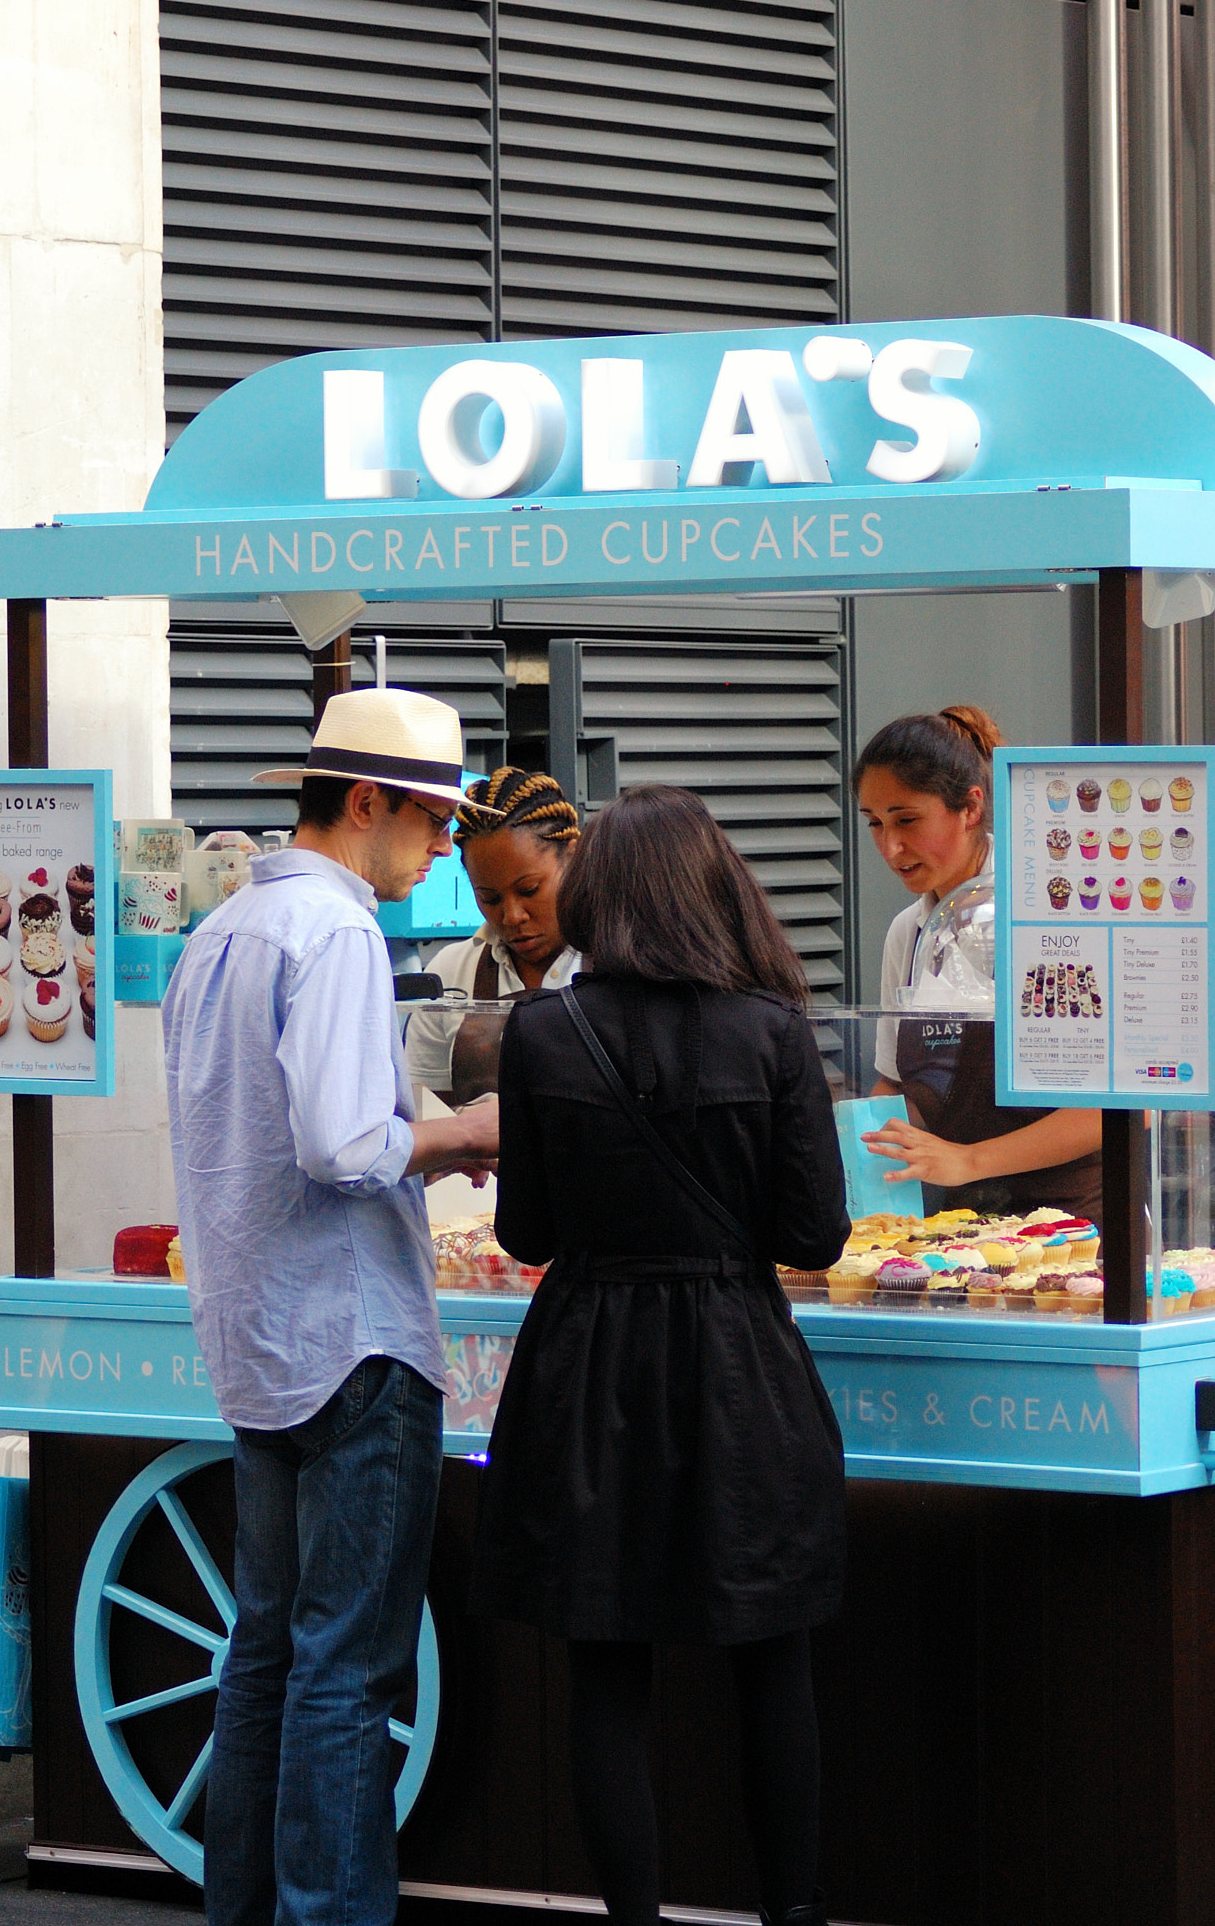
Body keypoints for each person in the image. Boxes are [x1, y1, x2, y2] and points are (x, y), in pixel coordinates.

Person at [469, 784, 848, 1926]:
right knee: (771, 1661)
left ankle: (631, 1918)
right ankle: (794, 1916)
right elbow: (813, 1233)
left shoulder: (541, 1030)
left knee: (607, 1665)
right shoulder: (774, 1028)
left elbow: (526, 1233)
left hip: (589, 1368)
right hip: (741, 1365)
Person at [163, 687, 501, 1926]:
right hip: (353, 1331)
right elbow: (346, 1142)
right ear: (368, 802)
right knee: (346, 1669)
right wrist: (463, 1129)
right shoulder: (338, 933)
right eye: (431, 820)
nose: (443, 848)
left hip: (254, 1331)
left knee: (264, 1654)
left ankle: (246, 1909)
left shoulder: (225, 930)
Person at [854, 705, 1102, 1224]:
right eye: (874, 823)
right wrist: (857, 1149)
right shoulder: (909, 931)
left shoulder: (1052, 919)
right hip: (959, 1224)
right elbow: (897, 1086)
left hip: (1076, 1227)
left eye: (906, 819)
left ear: (971, 807)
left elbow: (1120, 1109)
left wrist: (967, 1160)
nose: (890, 846)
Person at [405, 766, 582, 1105]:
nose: (512, 916)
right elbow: (425, 1110)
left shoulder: (620, 962)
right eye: (490, 898)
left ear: (572, 857)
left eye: (529, 889)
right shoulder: (450, 973)